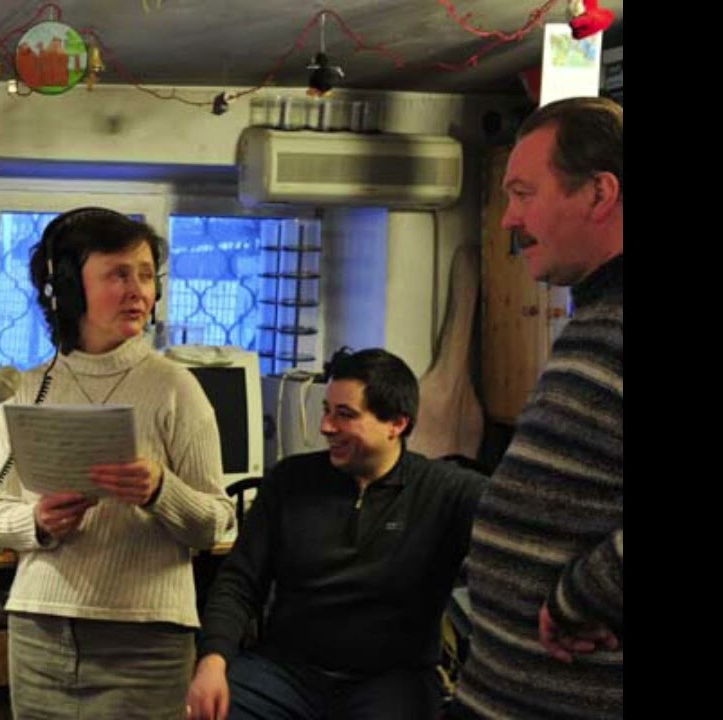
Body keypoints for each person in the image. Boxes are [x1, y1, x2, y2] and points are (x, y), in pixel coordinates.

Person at [0, 207, 236, 719]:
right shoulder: (27, 389)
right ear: (68, 289)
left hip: (145, 641)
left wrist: (160, 490)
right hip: (40, 632)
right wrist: (37, 522)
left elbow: (216, 524)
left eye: (146, 275)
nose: (139, 291)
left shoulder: (176, 388)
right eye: (119, 274)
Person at [187, 348, 488, 720]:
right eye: (326, 410)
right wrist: (213, 661)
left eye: (345, 414)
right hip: (284, 673)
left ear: (396, 423)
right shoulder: (289, 480)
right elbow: (238, 582)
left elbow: (518, 520)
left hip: (391, 680)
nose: (326, 427)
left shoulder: (446, 491)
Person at [452, 97, 623, 719]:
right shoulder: (597, 318)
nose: (508, 219)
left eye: (523, 193)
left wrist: (582, 597)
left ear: (599, 193)